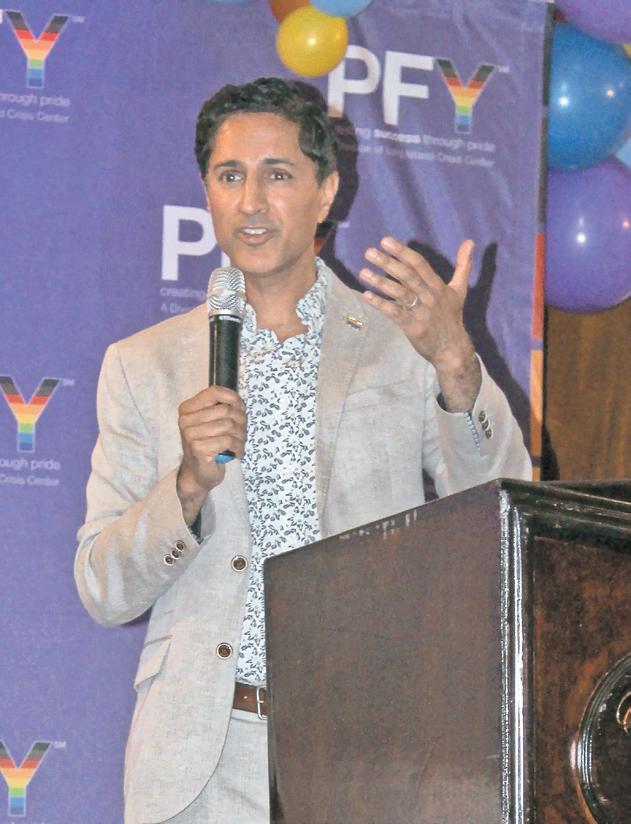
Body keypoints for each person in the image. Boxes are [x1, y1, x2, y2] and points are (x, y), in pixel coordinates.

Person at [75, 77, 531, 824]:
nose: (251, 202)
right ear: (207, 192)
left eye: (278, 174)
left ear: (325, 193)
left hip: (366, 752)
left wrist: (455, 362)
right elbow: (102, 587)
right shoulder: (142, 364)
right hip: (201, 758)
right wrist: (185, 488)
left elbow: (503, 505)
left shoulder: (400, 343)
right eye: (230, 176)